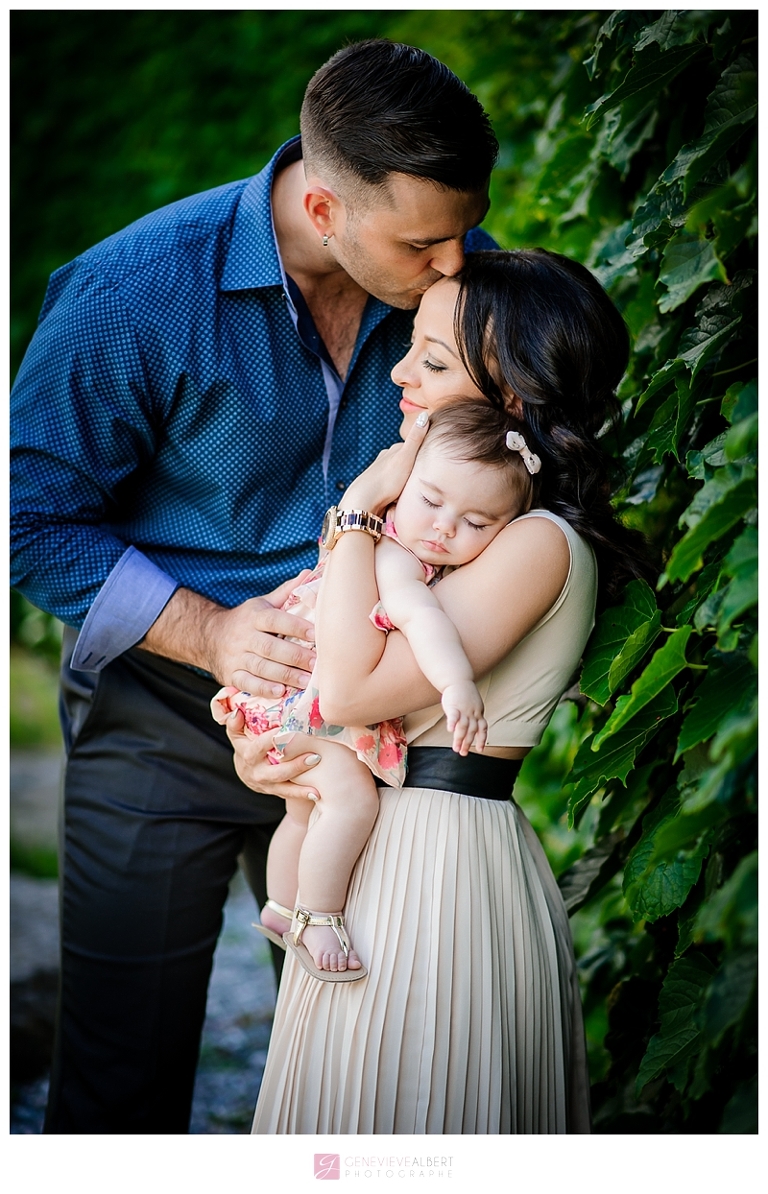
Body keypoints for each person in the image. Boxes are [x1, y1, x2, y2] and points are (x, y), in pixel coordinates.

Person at [9, 40, 499, 1133]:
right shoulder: (128, 294)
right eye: (426, 243)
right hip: (162, 718)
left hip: (378, 727)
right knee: (119, 1080)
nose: (460, 266)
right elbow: (22, 517)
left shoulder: (466, 283)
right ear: (324, 206)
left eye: (466, 230)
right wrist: (209, 634)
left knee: (369, 1074)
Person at [228, 249, 653, 1134]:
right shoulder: (443, 542)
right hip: (383, 841)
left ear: (509, 398)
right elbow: (328, 680)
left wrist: (353, 508)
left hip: (437, 864)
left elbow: (350, 688)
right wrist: (277, 748)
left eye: (432, 358)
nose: (398, 372)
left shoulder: (533, 543)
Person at [211, 400, 539, 979]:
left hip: (286, 699)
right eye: (432, 502)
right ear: (402, 485)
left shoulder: (365, 542)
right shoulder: (394, 556)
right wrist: (455, 681)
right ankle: (319, 916)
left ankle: (281, 909)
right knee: (351, 799)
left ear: (507, 527)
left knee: (300, 811)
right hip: (304, 699)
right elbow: (420, 618)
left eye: (477, 523)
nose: (444, 527)